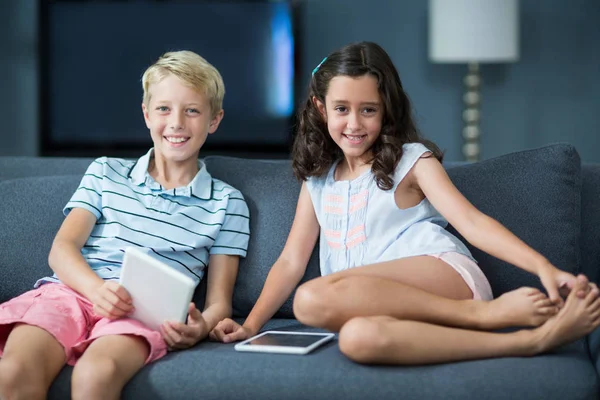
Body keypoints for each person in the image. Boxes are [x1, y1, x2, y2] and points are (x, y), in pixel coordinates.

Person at [210, 41, 600, 365]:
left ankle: (481, 312)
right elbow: (290, 261)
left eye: (369, 110)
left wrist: (543, 266)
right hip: (376, 307)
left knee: (311, 300)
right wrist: (250, 325)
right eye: (342, 109)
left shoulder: (411, 160)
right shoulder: (318, 178)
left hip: (442, 278)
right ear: (320, 108)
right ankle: (529, 342)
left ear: (386, 110)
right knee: (359, 340)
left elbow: (471, 221)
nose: (354, 124)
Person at [0, 50, 250, 399]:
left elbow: (220, 302)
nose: (177, 122)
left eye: (192, 110)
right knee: (13, 369)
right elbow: (62, 249)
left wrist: (201, 327)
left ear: (214, 120)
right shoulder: (105, 172)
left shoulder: (228, 203)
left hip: (143, 313)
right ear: (147, 114)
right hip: (73, 293)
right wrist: (94, 290)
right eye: (164, 108)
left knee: (95, 374)